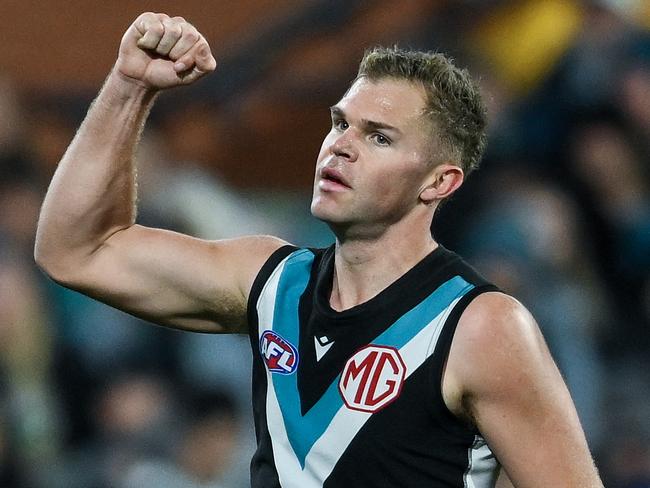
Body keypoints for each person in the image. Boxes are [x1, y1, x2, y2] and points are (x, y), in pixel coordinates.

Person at [34, 12, 604, 488]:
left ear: (440, 182)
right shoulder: (272, 281)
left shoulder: (483, 327)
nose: (340, 147)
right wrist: (131, 86)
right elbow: (76, 249)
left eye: (378, 136)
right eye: (340, 123)